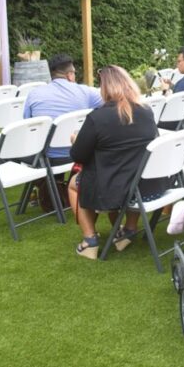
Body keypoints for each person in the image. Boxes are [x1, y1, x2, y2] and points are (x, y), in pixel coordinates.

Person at [67, 66, 168, 259]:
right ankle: (128, 231)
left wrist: (75, 140)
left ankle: (89, 241)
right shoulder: (146, 111)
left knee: (74, 184)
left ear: (104, 89)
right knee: (131, 168)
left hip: (115, 188)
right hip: (147, 184)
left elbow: (78, 156)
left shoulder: (97, 118)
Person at [22, 54, 103, 164]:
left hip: (43, 157)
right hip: (78, 153)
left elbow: (27, 124)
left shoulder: (34, 94)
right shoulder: (86, 93)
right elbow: (111, 99)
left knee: (1, 154)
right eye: (74, 73)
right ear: (69, 75)